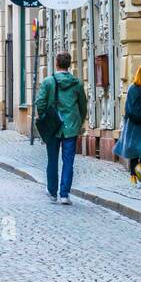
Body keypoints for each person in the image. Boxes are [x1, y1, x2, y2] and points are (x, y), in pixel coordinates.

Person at [34, 51, 88, 205]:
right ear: (69, 65)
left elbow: (40, 103)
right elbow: (83, 106)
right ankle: (64, 194)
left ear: (56, 64)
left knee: (52, 160)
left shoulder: (48, 82)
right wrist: (80, 122)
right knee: (68, 161)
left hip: (53, 127)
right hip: (71, 126)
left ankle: (52, 192)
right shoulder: (77, 83)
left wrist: (43, 116)